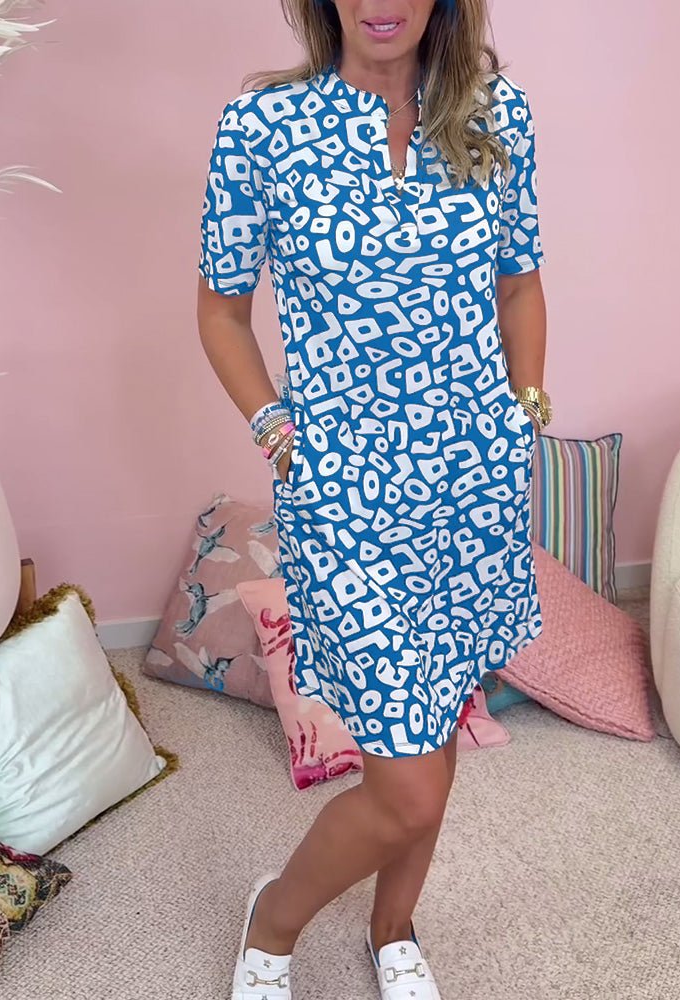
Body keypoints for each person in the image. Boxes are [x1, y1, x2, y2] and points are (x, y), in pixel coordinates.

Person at [196, 1, 552, 996]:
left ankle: (393, 928)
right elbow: (220, 310)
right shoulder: (262, 127)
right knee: (405, 787)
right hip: (345, 499)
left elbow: (519, 281)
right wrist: (277, 429)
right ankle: (273, 921)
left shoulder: (495, 113)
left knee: (434, 724)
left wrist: (522, 411)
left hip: (472, 490)